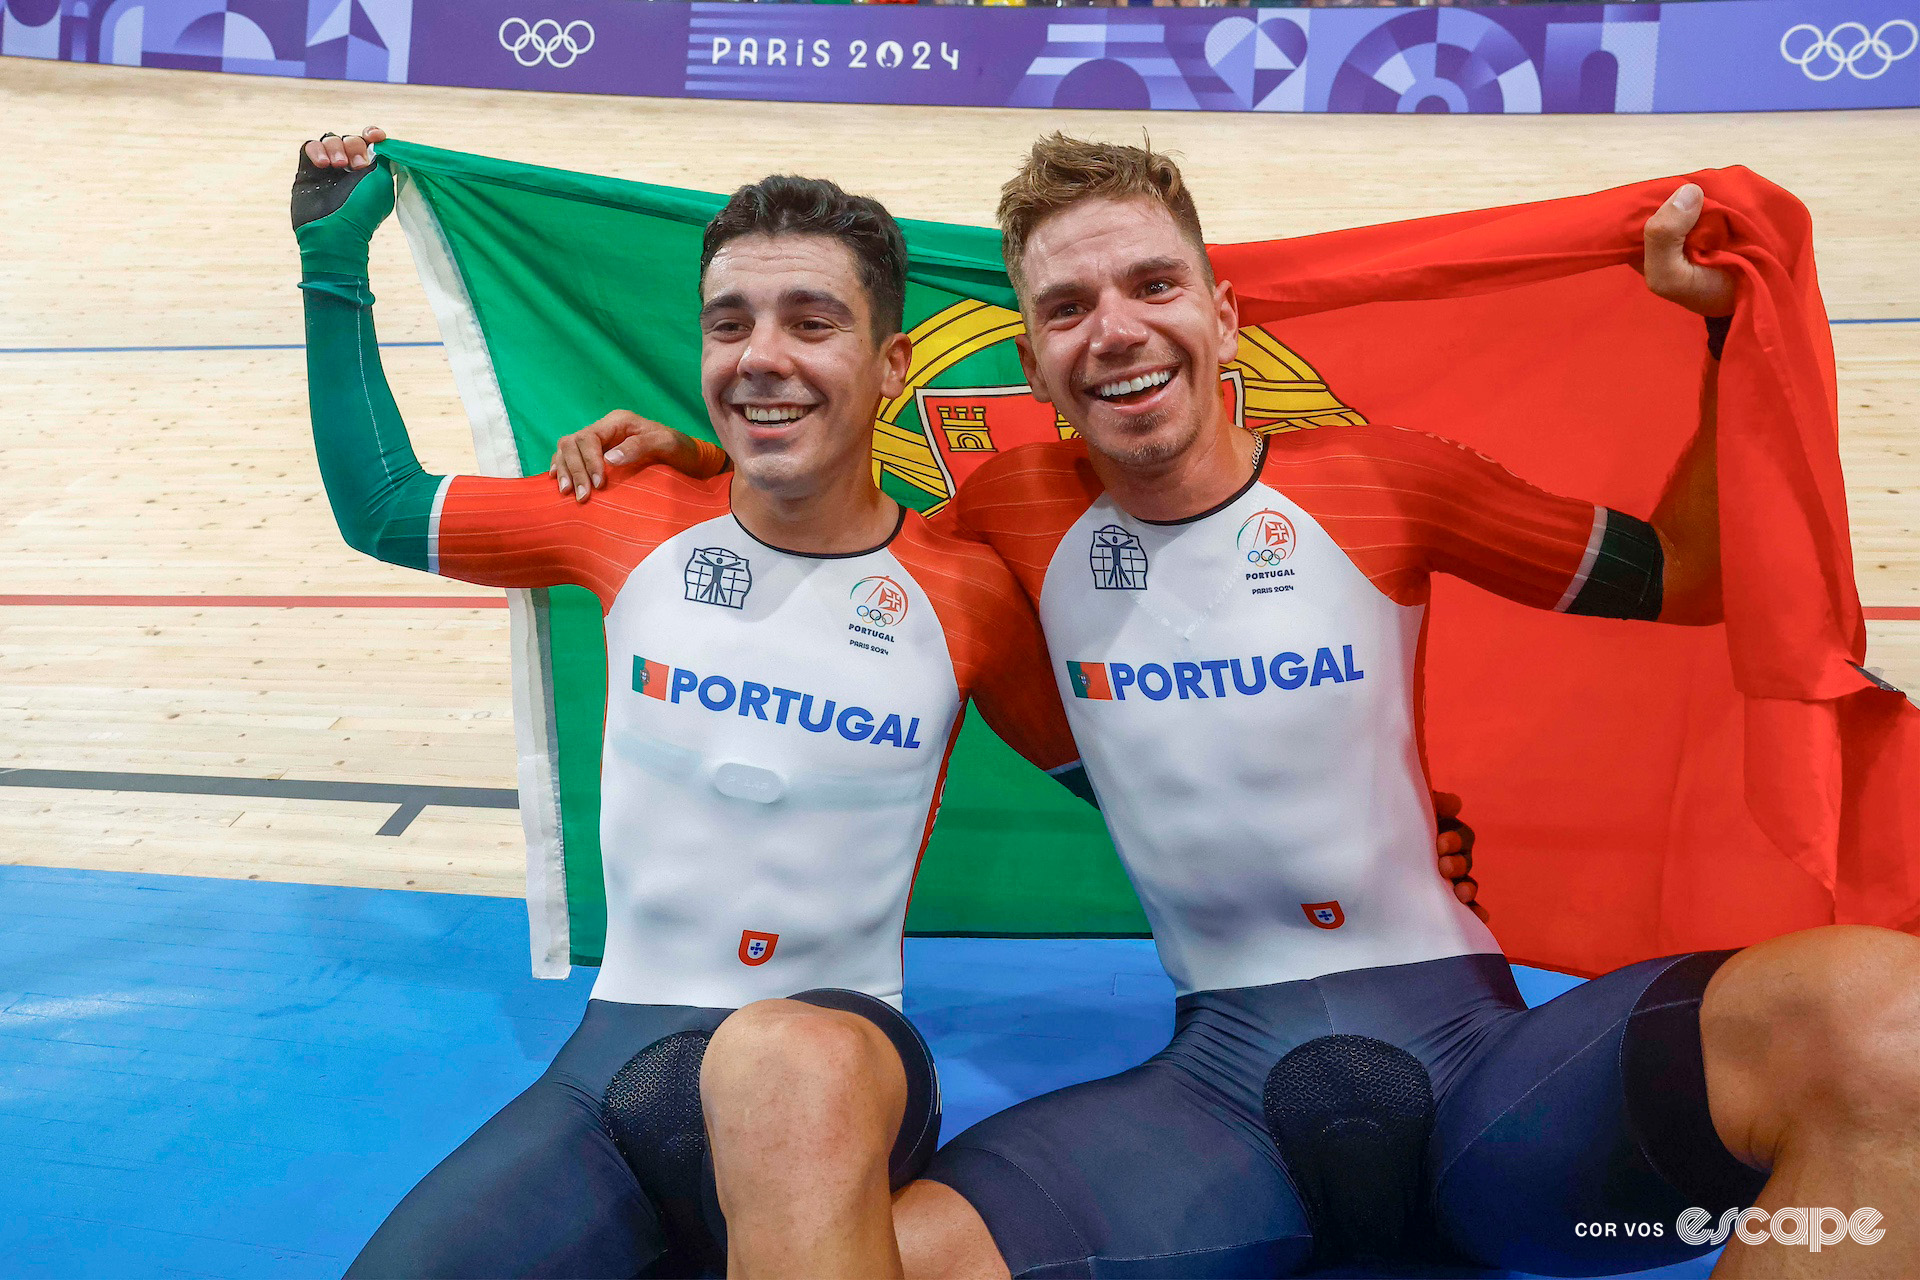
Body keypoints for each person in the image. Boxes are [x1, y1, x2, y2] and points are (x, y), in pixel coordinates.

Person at [558, 135, 1920, 1278]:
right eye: (1068, 307)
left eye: (1153, 285)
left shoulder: (1384, 485)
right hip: (1216, 1116)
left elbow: (1689, 577)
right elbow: (829, 514)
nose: (1116, 330)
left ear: (1223, 315)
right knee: (862, 1252)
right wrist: (704, 457)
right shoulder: (1008, 517)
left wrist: (1722, 334)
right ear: (1029, 365)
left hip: (1477, 1081)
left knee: (1888, 1020)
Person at [293, 128, 1481, 1278]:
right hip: (604, 1075)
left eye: (813, 323)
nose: (763, 353)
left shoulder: (966, 587)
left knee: (790, 1067)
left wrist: (1360, 821)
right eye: (730, 325)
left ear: (893, 365)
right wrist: (331, 264)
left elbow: (1129, 753)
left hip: (839, 1062)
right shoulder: (622, 519)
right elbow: (384, 506)